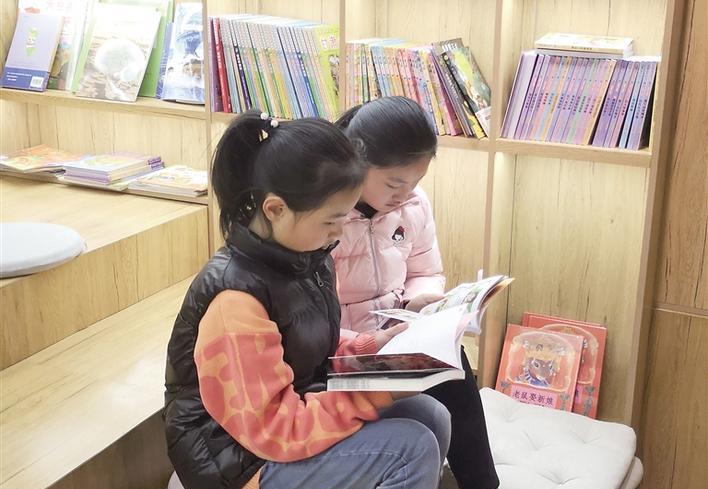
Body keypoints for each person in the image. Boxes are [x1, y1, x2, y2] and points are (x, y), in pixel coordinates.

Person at [163, 110, 451, 489]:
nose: (339, 233)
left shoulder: (307, 259)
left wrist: (374, 347)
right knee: (409, 448)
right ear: (276, 210)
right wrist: (380, 389)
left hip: (288, 419)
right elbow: (276, 428)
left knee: (430, 414)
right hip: (238, 461)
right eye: (331, 221)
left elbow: (308, 348)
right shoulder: (236, 299)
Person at [334, 96, 500, 489]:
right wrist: (369, 340)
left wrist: (417, 303)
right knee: (439, 387)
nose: (406, 193)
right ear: (357, 161)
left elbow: (426, 270)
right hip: (341, 350)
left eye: (416, 182)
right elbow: (305, 317)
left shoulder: (413, 205)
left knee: (453, 360)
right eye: (395, 183)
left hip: (395, 333)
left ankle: (482, 483)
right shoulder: (324, 213)